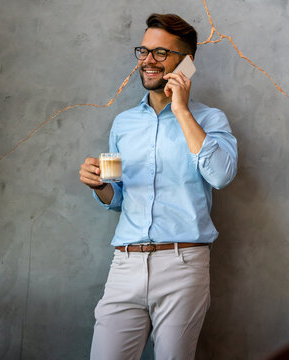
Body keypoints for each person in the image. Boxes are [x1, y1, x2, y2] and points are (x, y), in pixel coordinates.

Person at [79, 13, 237, 360]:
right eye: (144, 51)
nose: (148, 60)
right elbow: (118, 197)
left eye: (160, 53)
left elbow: (221, 175)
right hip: (125, 264)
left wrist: (180, 109)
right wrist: (99, 186)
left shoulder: (210, 120)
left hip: (183, 264)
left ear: (187, 63)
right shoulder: (124, 123)